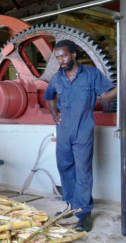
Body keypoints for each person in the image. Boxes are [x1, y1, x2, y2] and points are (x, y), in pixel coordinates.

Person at [43, 39, 117, 232]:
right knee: (65, 168)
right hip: (64, 131)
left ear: (74, 54)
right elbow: (49, 96)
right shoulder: (56, 79)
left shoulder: (91, 74)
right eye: (58, 57)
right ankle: (70, 206)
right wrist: (54, 113)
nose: (61, 60)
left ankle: (83, 214)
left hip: (83, 130)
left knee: (83, 172)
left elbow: (106, 96)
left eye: (64, 55)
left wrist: (122, 85)